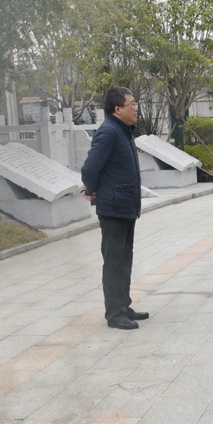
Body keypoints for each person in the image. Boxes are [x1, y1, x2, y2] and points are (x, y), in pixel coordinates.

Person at [81, 87, 148, 330]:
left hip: (125, 206)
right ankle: (115, 314)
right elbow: (90, 168)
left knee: (125, 260)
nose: (135, 108)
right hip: (113, 208)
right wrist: (91, 189)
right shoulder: (109, 132)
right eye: (132, 104)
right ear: (118, 109)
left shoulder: (123, 131)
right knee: (114, 263)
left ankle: (124, 306)